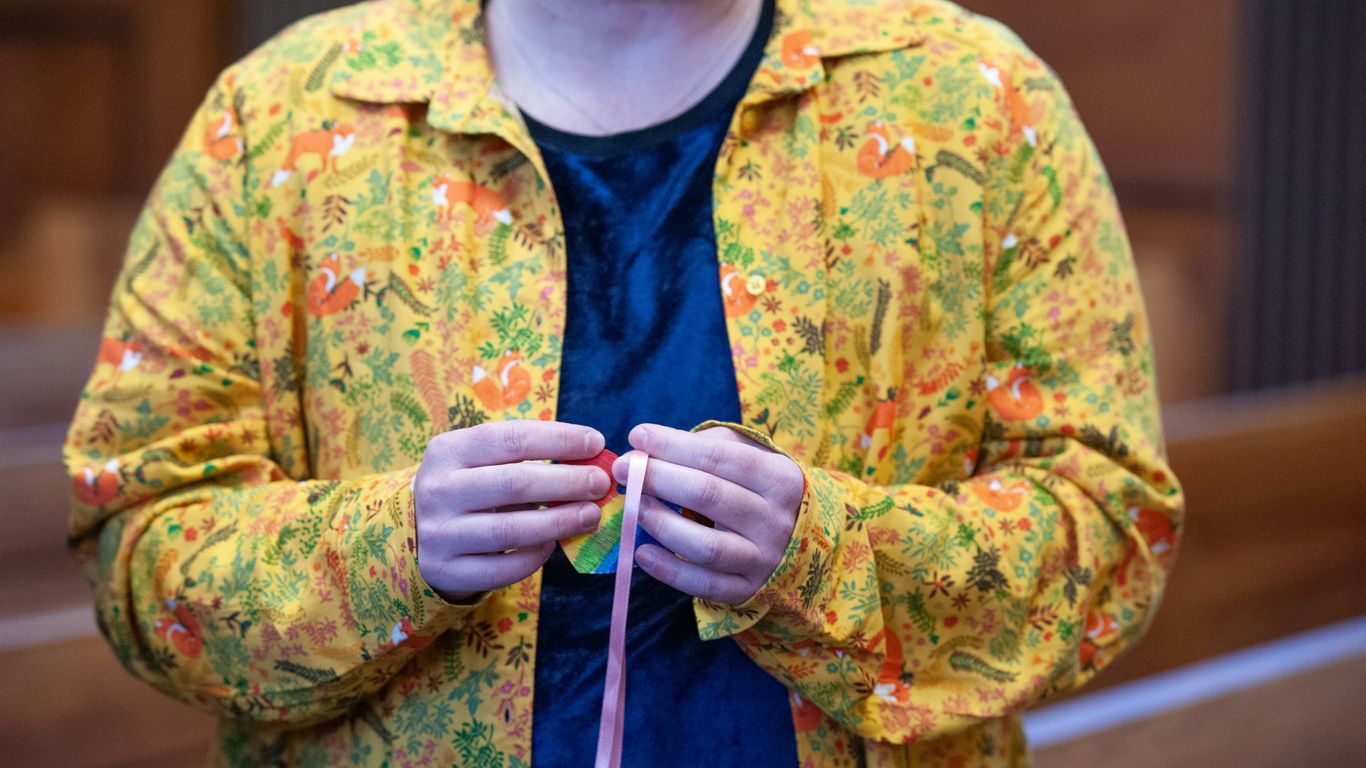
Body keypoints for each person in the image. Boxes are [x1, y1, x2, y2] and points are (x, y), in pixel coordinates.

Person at [62, 0, 1184, 765]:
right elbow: (144, 549)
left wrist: (824, 554)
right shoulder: (284, 120)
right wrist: (394, 548)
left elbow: (1108, 526)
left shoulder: (970, 103)